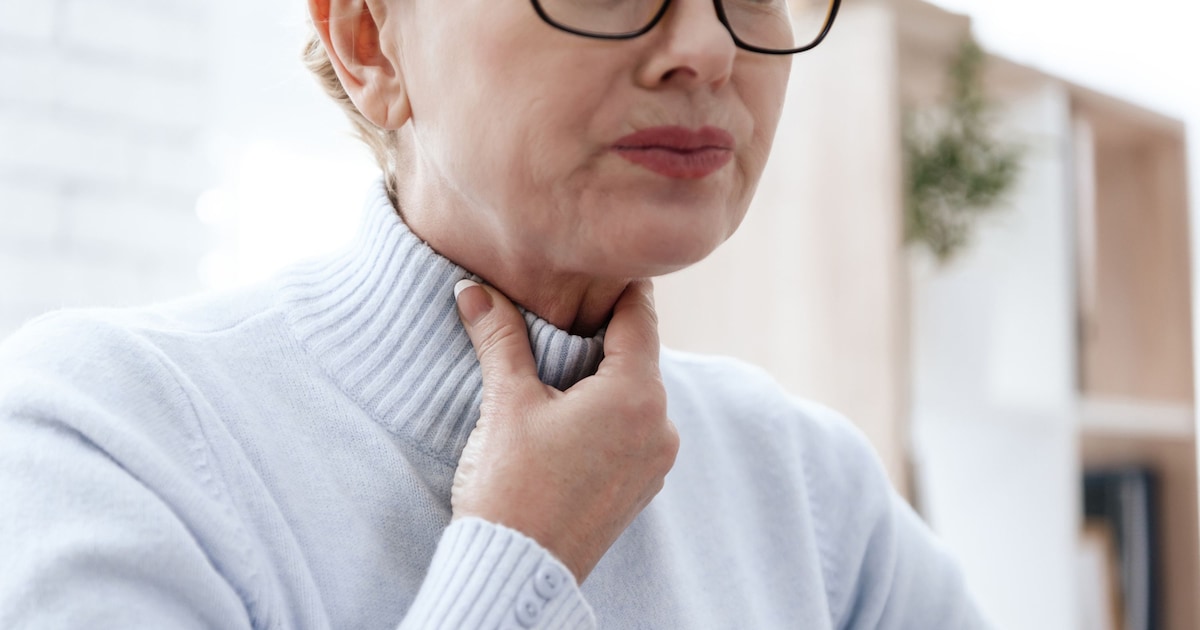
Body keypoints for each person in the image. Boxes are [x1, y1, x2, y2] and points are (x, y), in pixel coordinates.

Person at [0, 0, 992, 627]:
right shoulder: (104, 438)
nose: (705, 46)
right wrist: (522, 555)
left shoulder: (807, 482)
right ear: (368, 42)